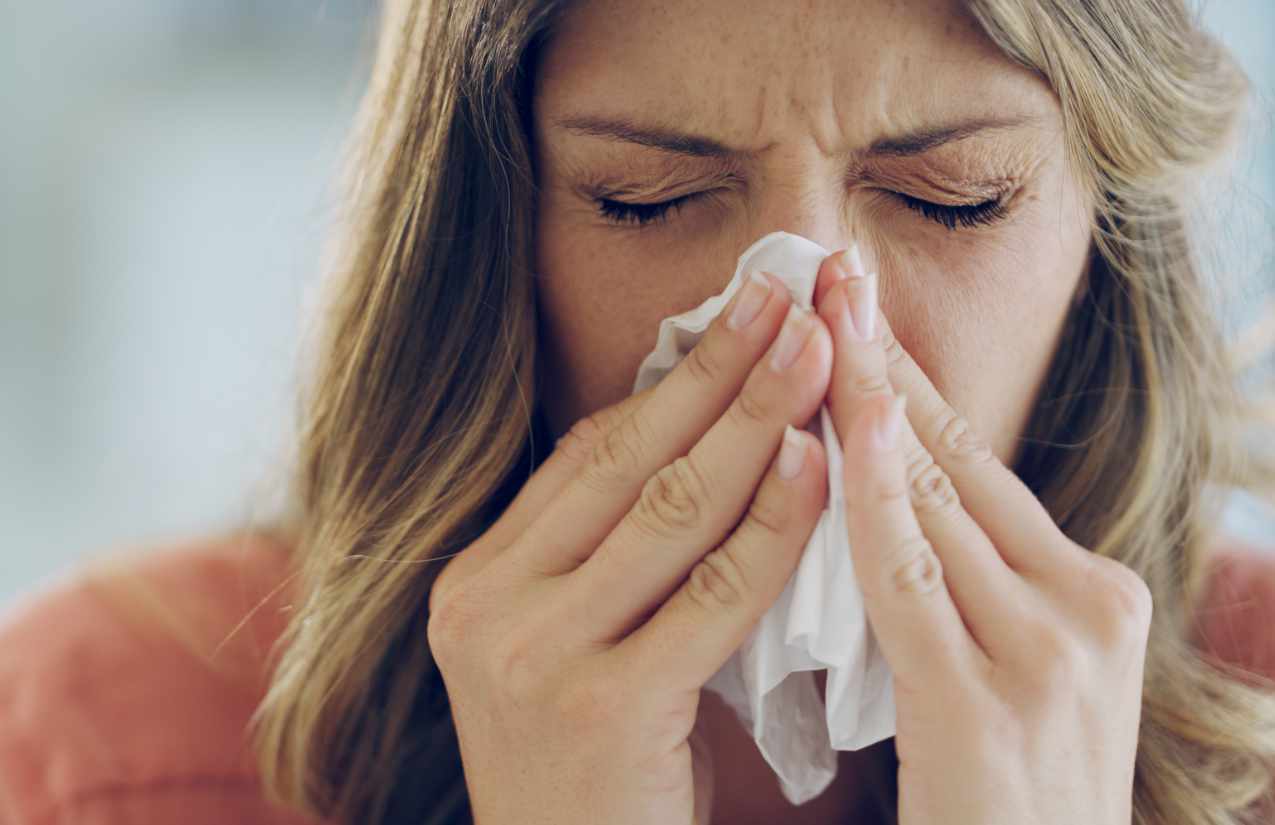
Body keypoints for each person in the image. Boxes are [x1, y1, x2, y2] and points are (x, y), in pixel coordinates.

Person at [3, 0, 1275, 823]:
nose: (813, 343)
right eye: (646, 198)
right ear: (485, 233)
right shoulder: (107, 748)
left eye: (956, 200)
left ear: (1106, 235)